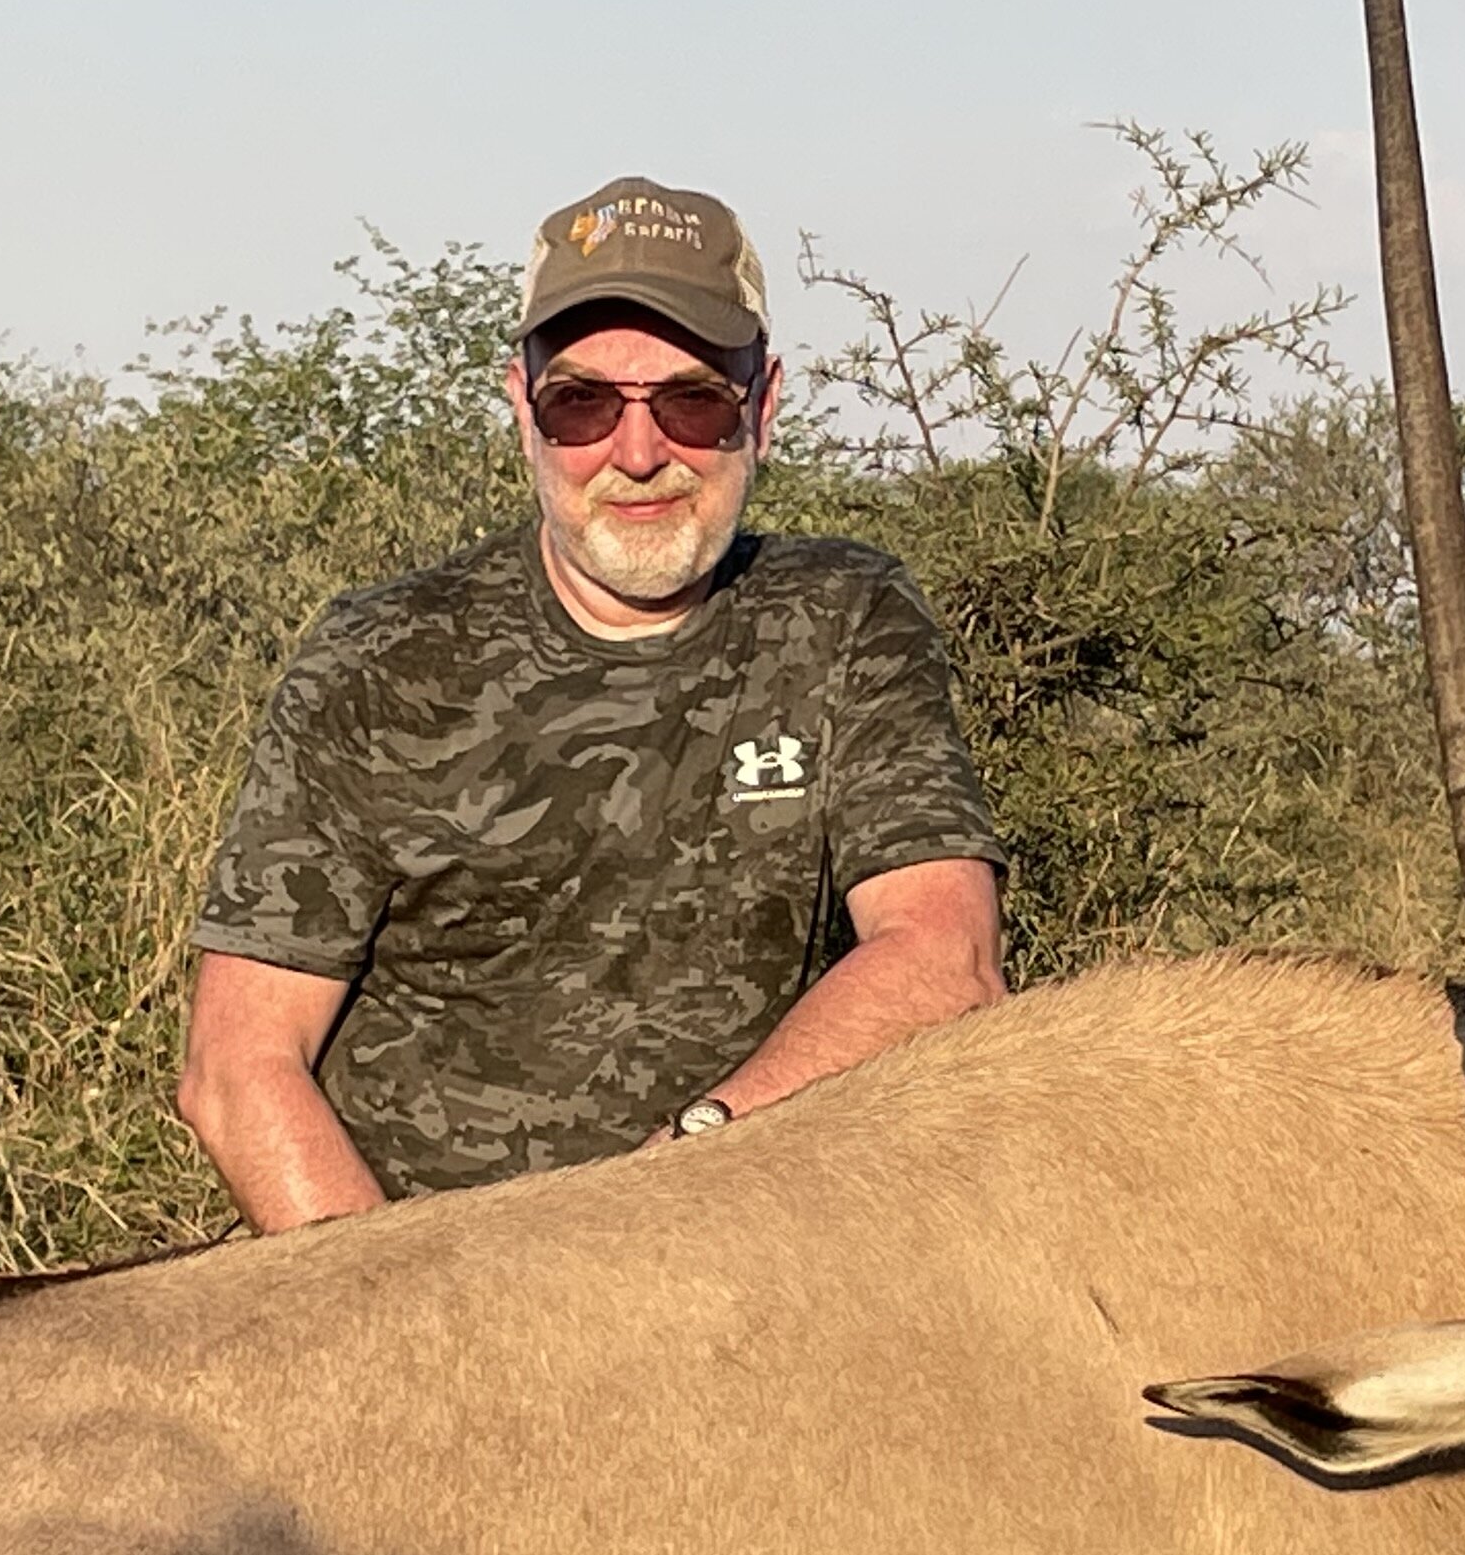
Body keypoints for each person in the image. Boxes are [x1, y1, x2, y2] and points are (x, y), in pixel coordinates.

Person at [177, 175, 1007, 1229]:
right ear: (523, 409)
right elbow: (239, 1069)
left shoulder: (843, 617)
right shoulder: (378, 660)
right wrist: (408, 1330)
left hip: (750, 1256)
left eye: (693, 400)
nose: (639, 452)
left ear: (765, 403)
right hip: (416, 1297)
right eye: (583, 403)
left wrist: (668, 1192)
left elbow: (945, 955)